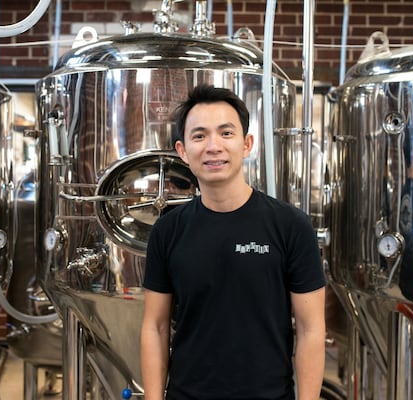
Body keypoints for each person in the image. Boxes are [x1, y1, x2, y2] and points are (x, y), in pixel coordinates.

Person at [140, 84, 326, 400]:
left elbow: (311, 330)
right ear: (183, 151)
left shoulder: (290, 226)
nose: (213, 146)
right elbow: (154, 328)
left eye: (226, 133)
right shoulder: (168, 230)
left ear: (246, 144)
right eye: (199, 136)